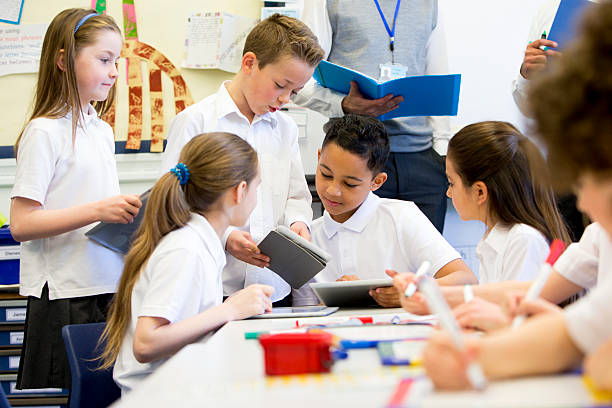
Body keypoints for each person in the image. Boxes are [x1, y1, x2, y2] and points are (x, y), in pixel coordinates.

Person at [420, 1, 612, 389]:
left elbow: (597, 357)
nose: (584, 204)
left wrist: (480, 354)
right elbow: (565, 320)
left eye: (589, 178)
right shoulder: (600, 236)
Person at [9, 9, 142, 389]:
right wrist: (98, 210)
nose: (114, 71)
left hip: (107, 288)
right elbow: (22, 224)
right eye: (104, 60)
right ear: (65, 60)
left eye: (116, 61)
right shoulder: (44, 131)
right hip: (66, 294)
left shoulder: (100, 130)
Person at [160, 14, 324, 304]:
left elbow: (296, 195)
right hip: (215, 288)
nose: (286, 98)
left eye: (295, 92)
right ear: (249, 63)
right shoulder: (196, 121)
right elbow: (172, 202)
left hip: (274, 289)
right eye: (280, 85)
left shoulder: (283, 128)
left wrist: (299, 222)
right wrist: (225, 238)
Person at [100, 133, 274, 394]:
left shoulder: (199, 241)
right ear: (240, 191)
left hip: (183, 385)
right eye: (256, 187)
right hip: (160, 396)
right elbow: (146, 344)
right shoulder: (186, 249)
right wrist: (230, 310)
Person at [295, 0, 451, 233]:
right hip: (354, 156)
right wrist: (343, 105)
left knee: (423, 266)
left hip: (421, 159)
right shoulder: (327, 3)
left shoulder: (429, 4)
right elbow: (298, 80)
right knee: (352, 259)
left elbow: (438, 77)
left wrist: (442, 152)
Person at [292, 115, 476, 308]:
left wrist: (412, 290)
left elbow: (466, 280)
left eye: (350, 183)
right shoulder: (307, 236)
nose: (332, 190)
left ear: (377, 182)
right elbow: (304, 312)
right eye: (326, 175)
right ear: (319, 156)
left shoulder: (402, 217)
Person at [512, 0, 599, 241]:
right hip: (566, 162)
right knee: (566, 257)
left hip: (604, 156)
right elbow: (528, 108)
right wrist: (529, 74)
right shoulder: (552, 9)